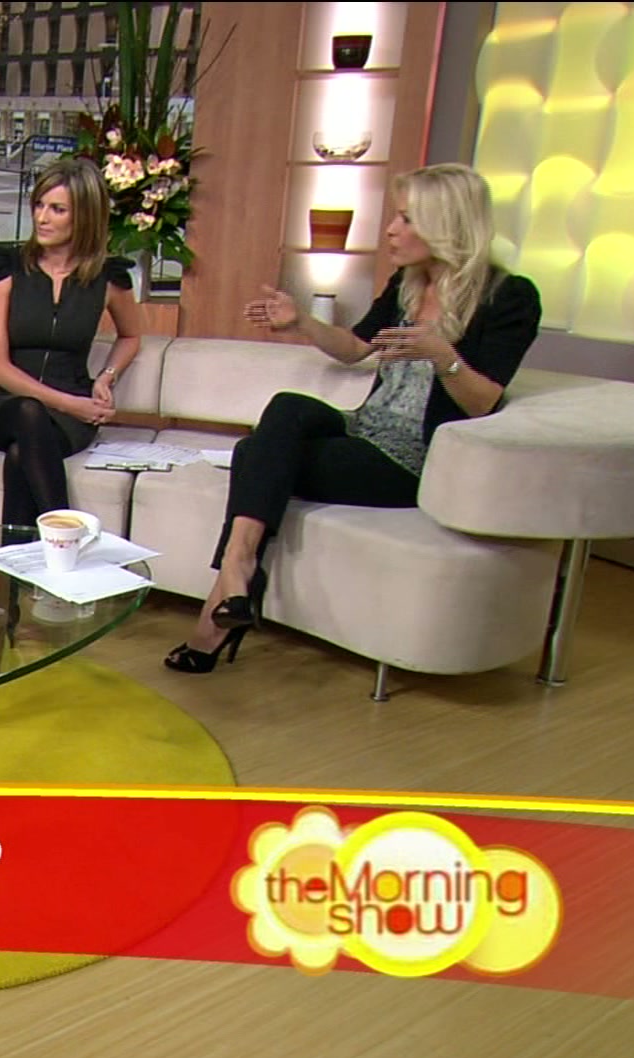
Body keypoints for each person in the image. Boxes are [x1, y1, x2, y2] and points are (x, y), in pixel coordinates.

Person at [165, 163, 542, 674]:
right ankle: (238, 571)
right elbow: (355, 348)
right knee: (289, 407)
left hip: (413, 460)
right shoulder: (408, 284)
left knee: (254, 453)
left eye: (406, 219)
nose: (391, 230)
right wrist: (302, 321)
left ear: (446, 224)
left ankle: (227, 593)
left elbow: (483, 402)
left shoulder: (508, 297)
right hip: (364, 429)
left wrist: (442, 356)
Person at [0, 157, 142, 535]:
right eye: (39, 205)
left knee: (21, 455)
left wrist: (106, 376)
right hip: (4, 401)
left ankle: (19, 567)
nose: (42, 218)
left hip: (69, 412)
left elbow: (131, 336)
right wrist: (72, 404)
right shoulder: (7, 268)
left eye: (57, 209)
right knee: (29, 412)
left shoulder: (108, 279)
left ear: (84, 217)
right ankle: (67, 538)